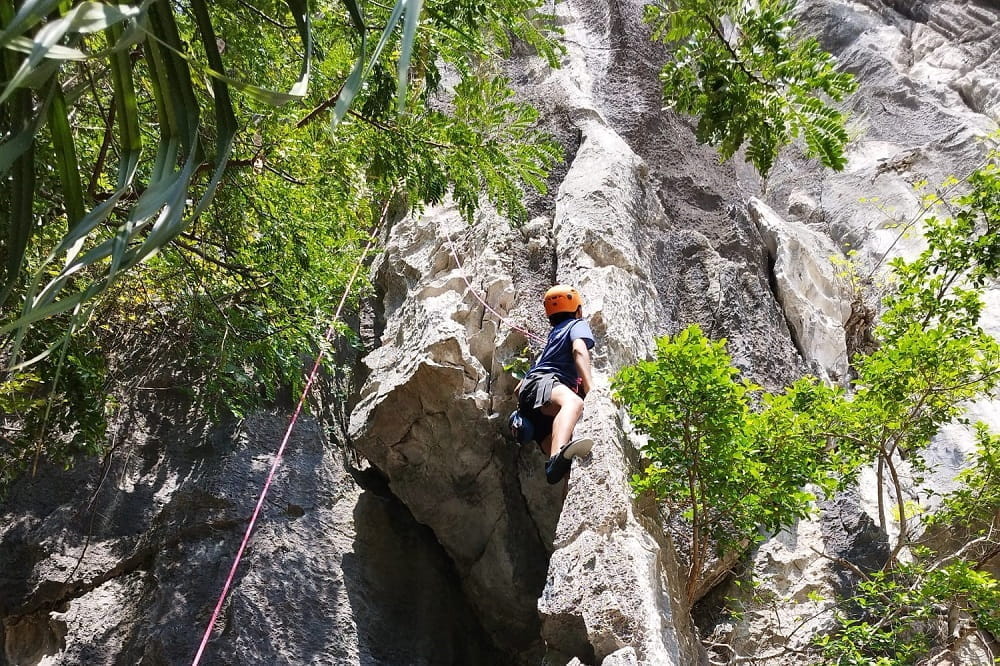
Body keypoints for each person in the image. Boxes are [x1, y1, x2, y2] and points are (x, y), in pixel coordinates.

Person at [514, 285, 595, 484]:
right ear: (578, 310)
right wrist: (590, 387)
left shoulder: (553, 338)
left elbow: (518, 389)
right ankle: (554, 458)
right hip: (544, 384)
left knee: (565, 470)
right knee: (573, 404)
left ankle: (559, 466)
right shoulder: (577, 324)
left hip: (529, 400)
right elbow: (578, 350)